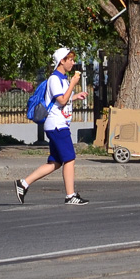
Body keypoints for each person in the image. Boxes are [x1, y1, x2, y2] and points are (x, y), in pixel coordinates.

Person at [15, 48, 89, 205]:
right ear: (62, 61)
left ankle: (23, 183)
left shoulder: (62, 79)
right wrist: (73, 85)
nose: (73, 63)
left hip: (60, 124)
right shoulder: (54, 79)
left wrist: (76, 96)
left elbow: (62, 99)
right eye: (70, 60)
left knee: (55, 162)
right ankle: (70, 196)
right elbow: (62, 100)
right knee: (70, 159)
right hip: (57, 125)